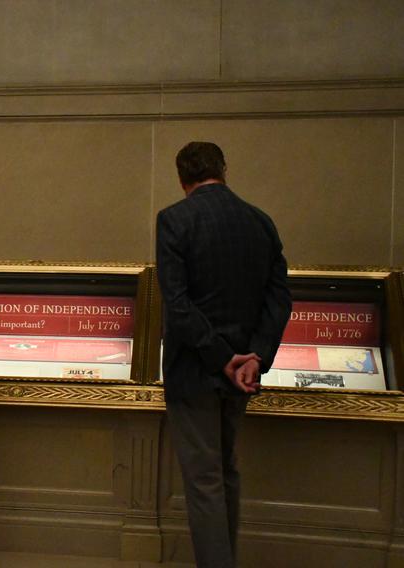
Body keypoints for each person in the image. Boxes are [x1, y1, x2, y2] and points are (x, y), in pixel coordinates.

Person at [156, 142, 292, 568]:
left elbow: (177, 306)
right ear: (224, 170)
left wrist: (221, 357)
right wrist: (254, 357)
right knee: (227, 472)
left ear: (182, 179)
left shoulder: (174, 220)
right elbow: (280, 298)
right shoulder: (260, 221)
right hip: (242, 375)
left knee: (204, 482)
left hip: (196, 372)